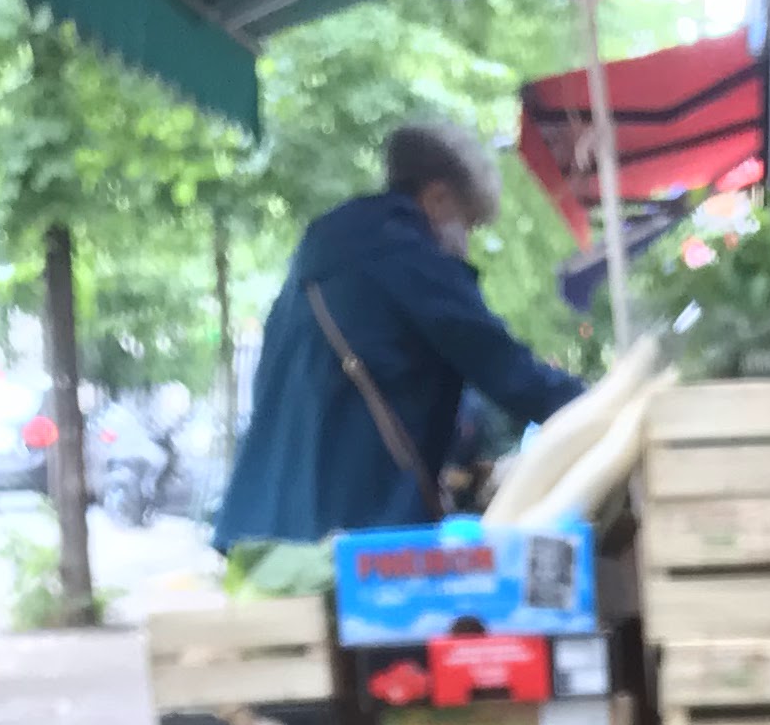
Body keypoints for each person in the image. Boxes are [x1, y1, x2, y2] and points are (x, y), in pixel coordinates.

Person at [215, 122, 581, 549]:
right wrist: (602, 406)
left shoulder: (323, 250)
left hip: (261, 526)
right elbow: (505, 368)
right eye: (467, 225)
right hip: (351, 531)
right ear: (438, 198)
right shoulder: (404, 253)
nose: (465, 245)